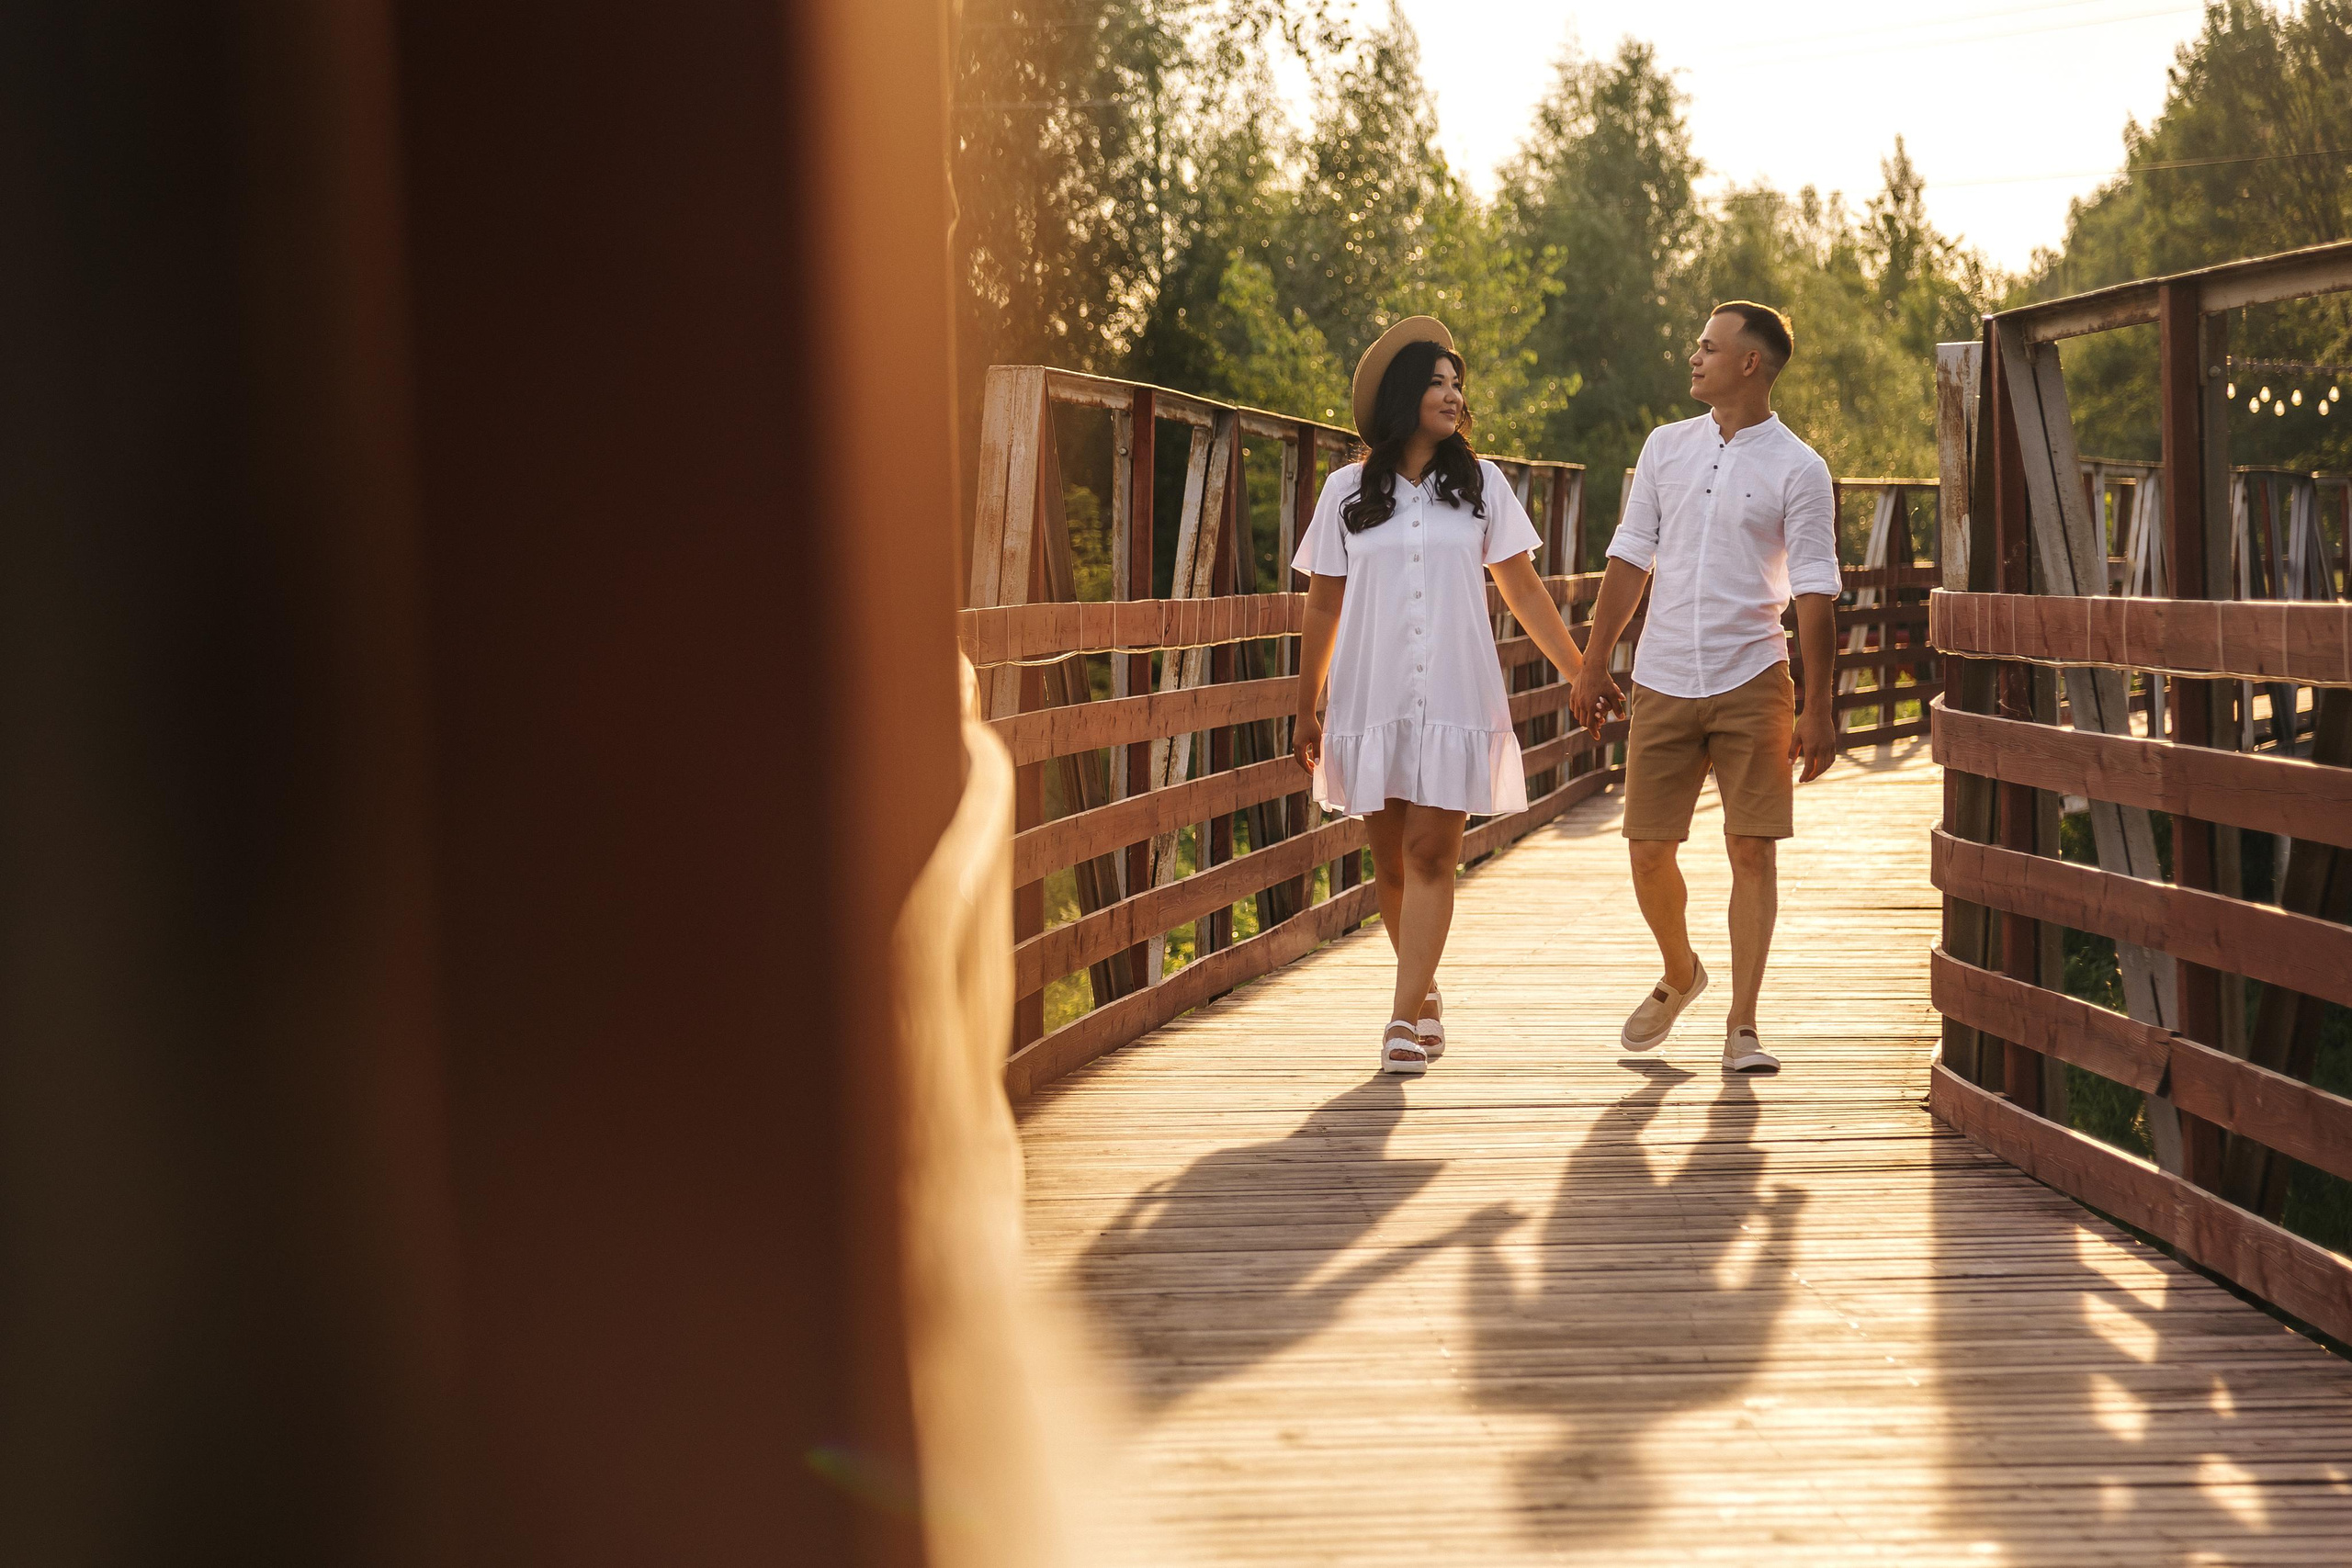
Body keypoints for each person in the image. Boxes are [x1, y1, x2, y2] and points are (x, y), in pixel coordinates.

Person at [1292, 317, 1593, 1076]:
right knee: (1390, 863)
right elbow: (1324, 604)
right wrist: (1308, 700)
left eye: (1459, 384)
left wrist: (1578, 667)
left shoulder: (1482, 484)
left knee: (1433, 853)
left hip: (1456, 687)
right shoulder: (1343, 493)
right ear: (1402, 395)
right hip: (1372, 691)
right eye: (1437, 382)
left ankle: (1398, 1017)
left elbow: (1521, 586)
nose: (1454, 396)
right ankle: (1423, 993)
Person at [1567, 301, 1839, 1076]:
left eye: (1708, 347)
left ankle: (1742, 1026)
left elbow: (1815, 591)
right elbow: (1629, 557)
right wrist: (1595, 660)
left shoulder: (1799, 468)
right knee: (1649, 850)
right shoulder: (1666, 448)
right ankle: (1682, 971)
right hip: (1660, 678)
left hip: (1754, 673)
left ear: (1750, 363)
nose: (1694, 357)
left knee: (1751, 848)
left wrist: (1818, 705)